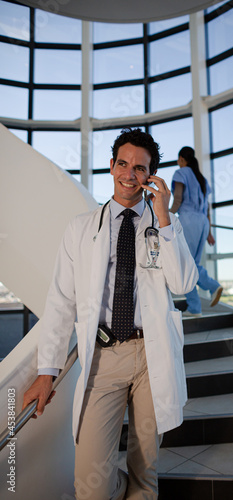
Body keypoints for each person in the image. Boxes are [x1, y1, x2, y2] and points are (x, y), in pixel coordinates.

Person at [22, 128, 198, 500]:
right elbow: (60, 302)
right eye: (123, 164)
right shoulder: (81, 228)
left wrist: (165, 217)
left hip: (153, 356)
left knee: (146, 473)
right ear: (112, 166)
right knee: (93, 488)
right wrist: (45, 372)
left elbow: (183, 284)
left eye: (140, 168)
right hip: (104, 358)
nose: (129, 174)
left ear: (151, 176)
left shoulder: (163, 224)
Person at [170, 146, 223, 317]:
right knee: (192, 263)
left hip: (188, 220)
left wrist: (167, 216)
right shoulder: (201, 178)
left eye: (179, 160)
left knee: (186, 264)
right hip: (202, 222)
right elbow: (207, 208)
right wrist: (209, 231)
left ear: (181, 159)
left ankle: (211, 287)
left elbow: (177, 198)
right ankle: (195, 308)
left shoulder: (181, 173)